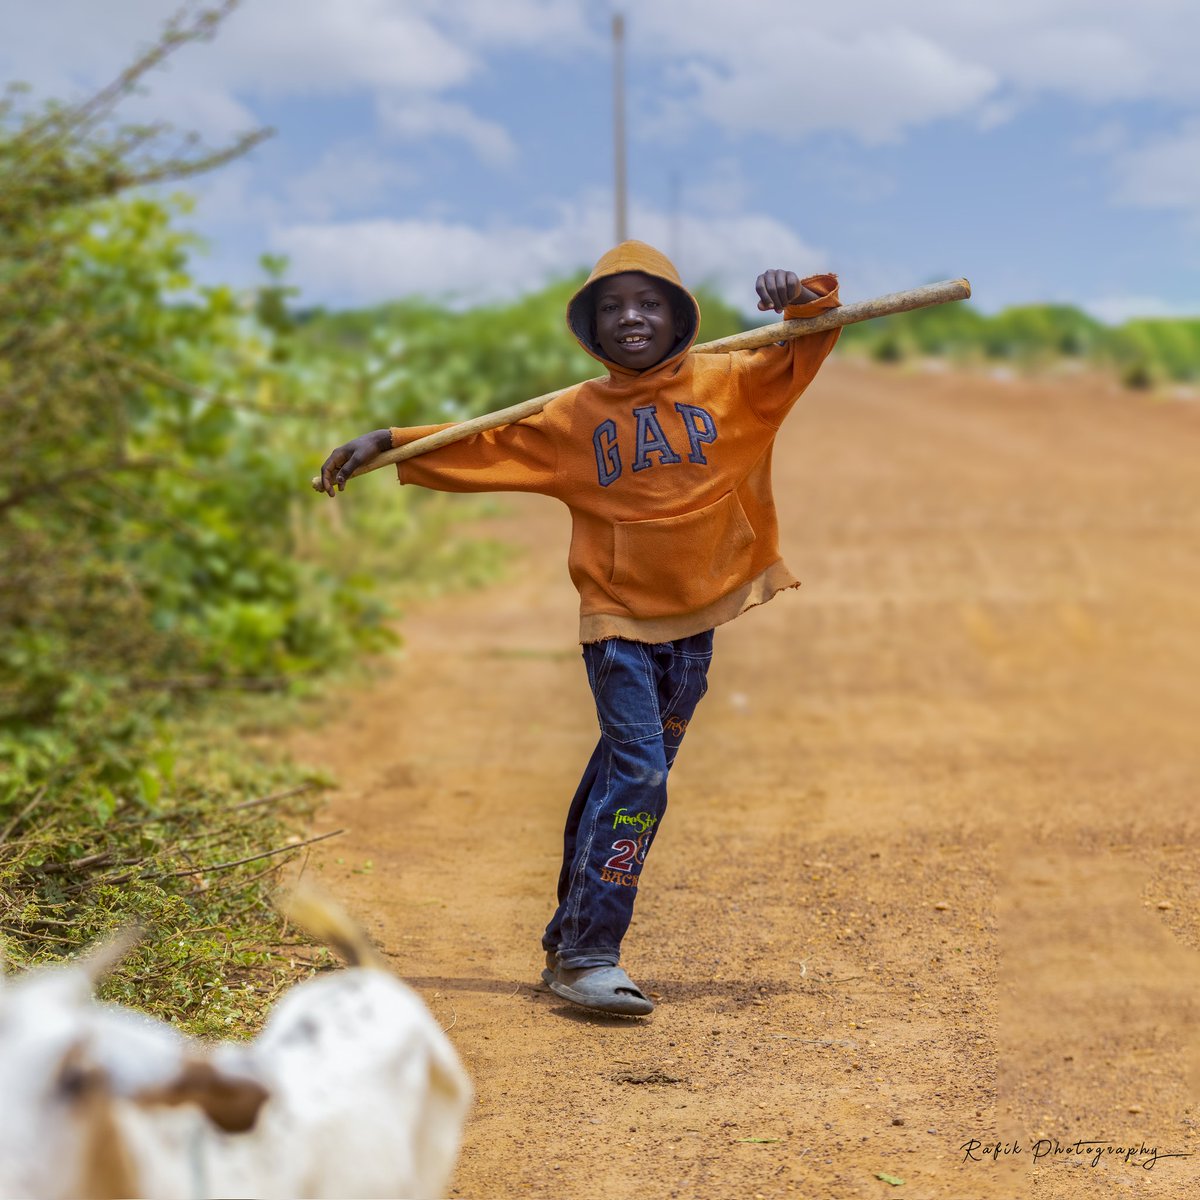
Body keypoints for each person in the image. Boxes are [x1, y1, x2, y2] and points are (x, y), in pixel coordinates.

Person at [319, 240, 840, 1017]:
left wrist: (799, 297)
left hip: (694, 627)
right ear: (590, 328)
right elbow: (483, 443)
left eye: (649, 303)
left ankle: (568, 938)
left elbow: (806, 343)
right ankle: (593, 953)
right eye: (611, 307)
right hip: (618, 628)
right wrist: (391, 444)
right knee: (641, 780)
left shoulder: (736, 384)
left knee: (618, 776)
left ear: (681, 317)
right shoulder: (573, 418)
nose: (631, 317)